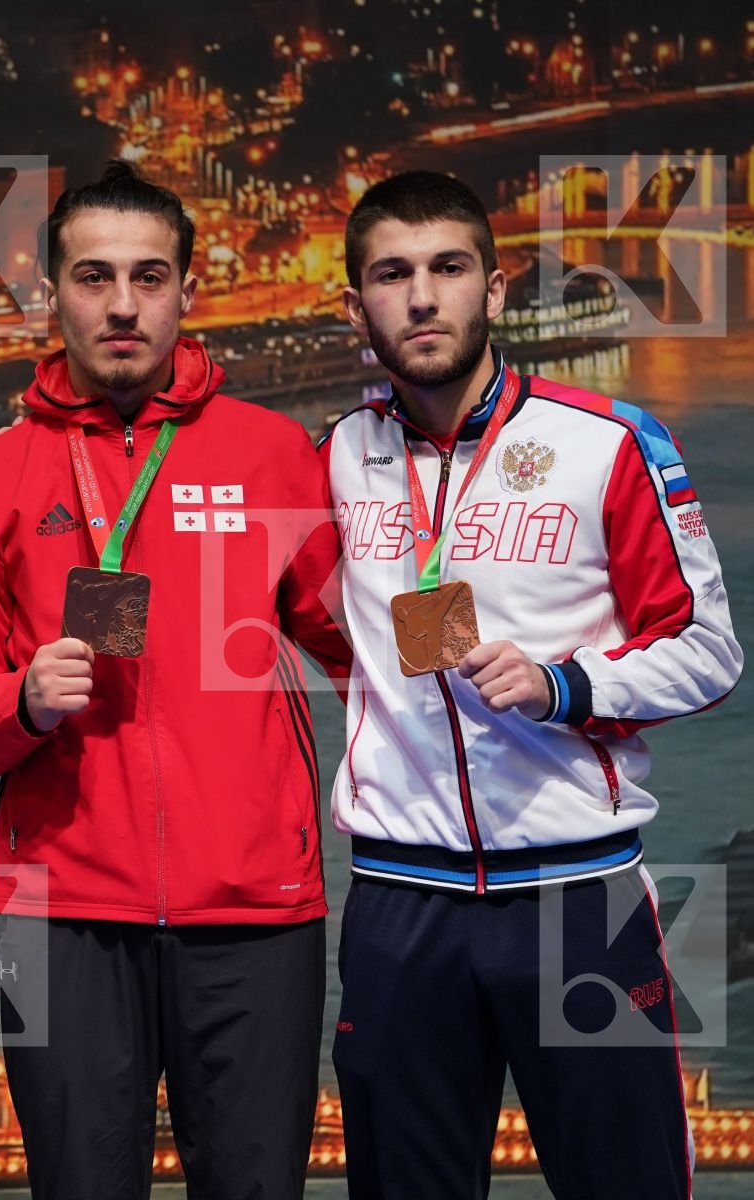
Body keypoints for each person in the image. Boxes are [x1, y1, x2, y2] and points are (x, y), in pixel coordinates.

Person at [321, 170, 741, 1199]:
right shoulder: (333, 457)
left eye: (447, 269)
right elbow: (293, 618)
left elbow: (706, 649)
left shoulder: (606, 442)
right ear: (354, 308)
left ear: (494, 289)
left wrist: (563, 684)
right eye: (391, 274)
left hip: (573, 896)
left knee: (625, 1183)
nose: (421, 297)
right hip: (396, 900)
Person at [0, 161, 350, 1200]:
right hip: (56, 912)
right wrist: (21, 699)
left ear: (185, 292)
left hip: (256, 905)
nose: (121, 304)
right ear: (51, 294)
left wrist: (499, 622)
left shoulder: (272, 454)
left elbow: (366, 648)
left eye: (148, 277)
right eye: (92, 276)